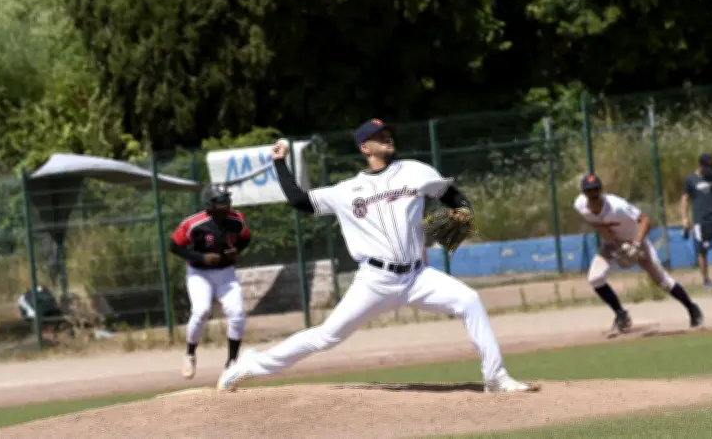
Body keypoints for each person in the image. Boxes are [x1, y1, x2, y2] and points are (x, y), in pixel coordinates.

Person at [216, 119, 538, 393]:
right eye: (378, 136)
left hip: (417, 276)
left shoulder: (415, 171)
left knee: (469, 301)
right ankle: (251, 365)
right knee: (326, 336)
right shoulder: (345, 191)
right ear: (365, 149)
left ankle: (495, 378)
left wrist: (461, 213)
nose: (387, 138)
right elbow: (300, 201)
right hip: (374, 280)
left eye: (388, 134)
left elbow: (449, 194)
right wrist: (279, 163)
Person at [575, 174, 704, 335]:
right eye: (589, 191)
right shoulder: (580, 205)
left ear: (601, 190)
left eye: (596, 190)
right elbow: (596, 224)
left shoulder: (617, 206)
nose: (593, 194)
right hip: (612, 244)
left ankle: (692, 308)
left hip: (637, 241)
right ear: (584, 193)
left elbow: (645, 220)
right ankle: (621, 314)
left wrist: (635, 244)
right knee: (595, 278)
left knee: (662, 280)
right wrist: (615, 244)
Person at [170, 184, 252, 379]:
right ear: (209, 204)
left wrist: (237, 251)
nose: (225, 205)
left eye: (226, 200)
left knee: (238, 313)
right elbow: (174, 246)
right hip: (200, 273)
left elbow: (245, 239)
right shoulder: (194, 224)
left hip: (225, 272)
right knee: (201, 311)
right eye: (220, 201)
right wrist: (201, 258)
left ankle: (232, 362)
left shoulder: (236, 219)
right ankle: (190, 354)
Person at [681, 152, 712, 290]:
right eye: (706, 167)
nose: (709, 170)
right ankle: (706, 280)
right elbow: (685, 199)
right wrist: (685, 218)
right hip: (700, 221)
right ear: (700, 166)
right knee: (702, 252)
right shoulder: (690, 180)